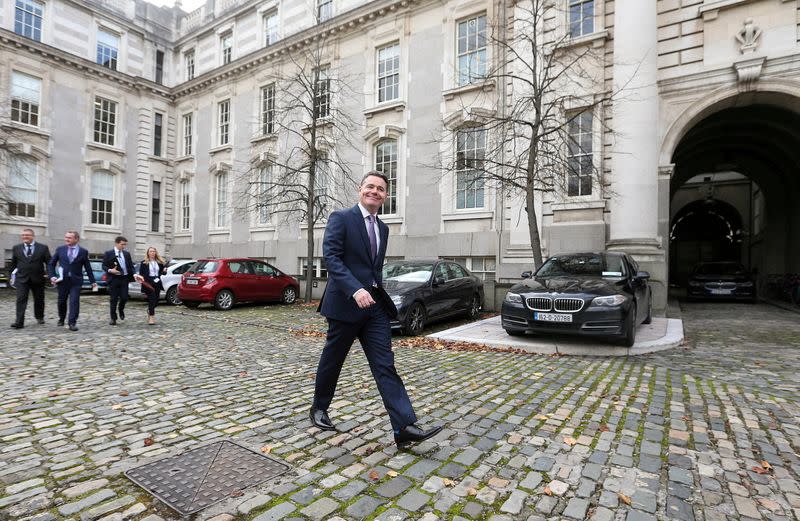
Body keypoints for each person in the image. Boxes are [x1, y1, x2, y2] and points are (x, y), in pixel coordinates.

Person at [310, 171, 442, 448]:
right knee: (333, 361)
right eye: (370, 186)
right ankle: (319, 408)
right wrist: (354, 288)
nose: (375, 191)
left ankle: (404, 427)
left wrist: (372, 291)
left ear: (385, 196)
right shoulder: (341, 218)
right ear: (360, 189)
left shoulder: (383, 228)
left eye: (381, 189)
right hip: (345, 304)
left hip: (374, 309)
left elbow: (373, 269)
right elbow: (331, 258)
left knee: (385, 366)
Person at [48, 231, 96, 331]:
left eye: (69, 238)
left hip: (76, 281)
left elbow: (88, 268)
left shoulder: (83, 251)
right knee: (61, 301)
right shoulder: (60, 249)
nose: (67, 239)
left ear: (76, 239)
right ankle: (61, 318)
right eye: (66, 237)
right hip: (62, 281)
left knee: (74, 301)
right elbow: (51, 264)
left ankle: (72, 322)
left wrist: (93, 281)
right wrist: (52, 276)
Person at [10, 228, 51, 329]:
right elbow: (13, 264)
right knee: (21, 299)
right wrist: (10, 276)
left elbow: (49, 262)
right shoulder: (16, 248)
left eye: (27, 235)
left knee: (39, 299)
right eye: (23, 235)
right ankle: (19, 322)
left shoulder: (43, 248)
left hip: (38, 278)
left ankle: (39, 316)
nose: (25, 237)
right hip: (22, 279)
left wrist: (50, 274)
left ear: (33, 236)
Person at [103, 236, 134, 325]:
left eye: (125, 245)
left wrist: (134, 274)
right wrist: (110, 270)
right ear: (116, 243)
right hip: (114, 279)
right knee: (113, 299)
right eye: (122, 244)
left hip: (124, 278)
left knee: (124, 298)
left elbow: (131, 266)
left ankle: (121, 309)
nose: (123, 246)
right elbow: (104, 266)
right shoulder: (108, 253)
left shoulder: (126, 254)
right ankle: (113, 318)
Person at [135, 247, 166, 325]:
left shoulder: (159, 262)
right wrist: (142, 279)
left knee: (156, 301)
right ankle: (151, 317)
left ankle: (150, 310)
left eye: (154, 251)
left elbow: (162, 273)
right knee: (152, 299)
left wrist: (164, 271)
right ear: (148, 253)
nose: (152, 253)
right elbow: (142, 274)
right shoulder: (144, 263)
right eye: (151, 251)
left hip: (157, 282)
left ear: (155, 253)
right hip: (148, 283)